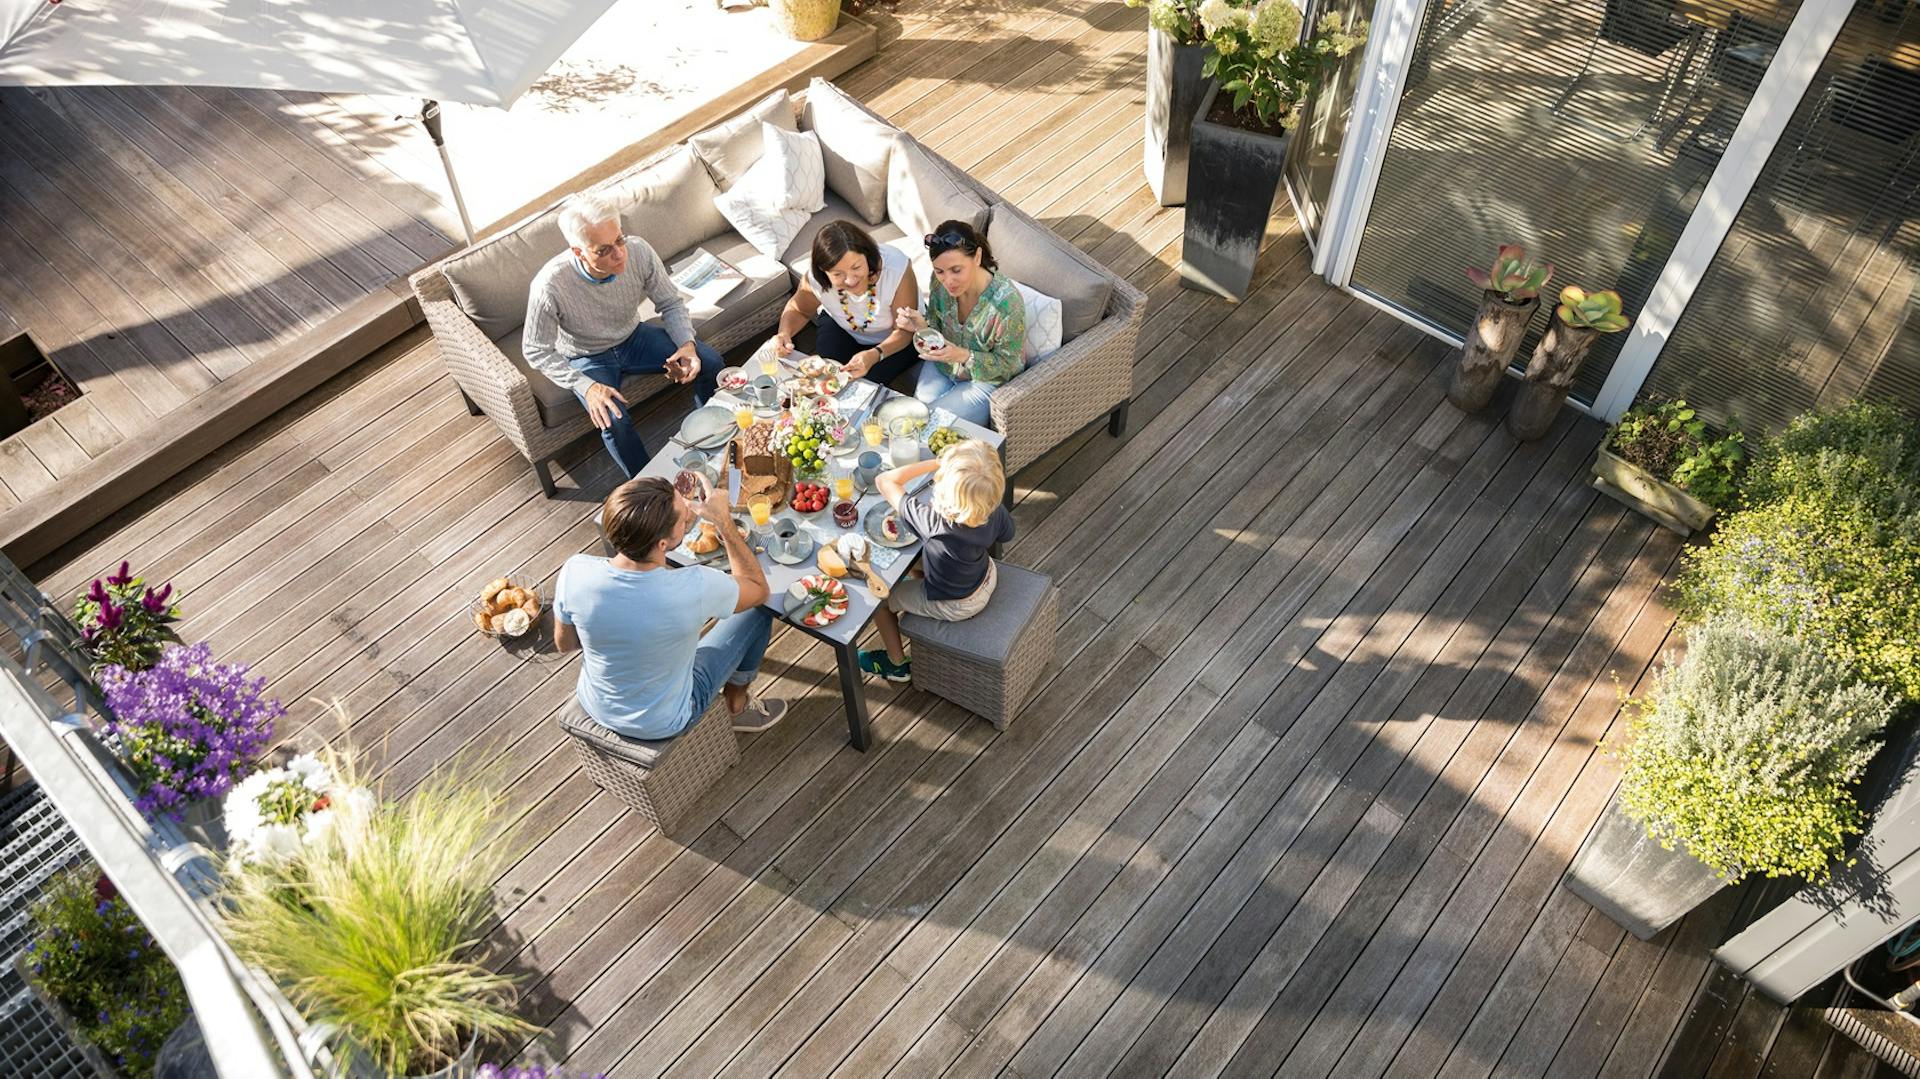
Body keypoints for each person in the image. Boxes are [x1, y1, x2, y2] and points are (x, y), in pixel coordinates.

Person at [554, 476, 789, 737]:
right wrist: (723, 521)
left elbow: (566, 644)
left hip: (597, 703)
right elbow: (757, 588)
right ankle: (736, 706)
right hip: (666, 719)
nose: (690, 511)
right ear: (662, 544)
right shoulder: (694, 586)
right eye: (683, 515)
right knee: (759, 611)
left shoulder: (575, 570)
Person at [522, 194, 725, 478]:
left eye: (620, 240)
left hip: (634, 337)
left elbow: (670, 303)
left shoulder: (639, 251)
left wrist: (687, 346)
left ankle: (715, 444)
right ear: (579, 252)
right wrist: (586, 386)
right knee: (612, 420)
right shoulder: (550, 286)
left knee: (709, 361)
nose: (619, 254)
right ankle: (651, 490)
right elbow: (536, 350)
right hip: (586, 357)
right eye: (604, 250)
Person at [858, 439, 1014, 683]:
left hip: (956, 604)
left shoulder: (931, 521)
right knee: (917, 562)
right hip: (985, 575)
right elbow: (1007, 534)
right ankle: (922, 583)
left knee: (879, 600)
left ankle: (896, 664)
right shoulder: (994, 510)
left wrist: (935, 462)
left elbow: (884, 481)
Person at [893, 220, 1026, 428]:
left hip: (984, 380)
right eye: (940, 271)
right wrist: (921, 326)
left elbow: (1008, 366)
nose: (948, 281)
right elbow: (936, 327)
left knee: (932, 425)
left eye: (956, 270)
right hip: (944, 366)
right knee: (918, 412)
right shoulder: (938, 283)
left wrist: (962, 355)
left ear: (978, 257)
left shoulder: (1007, 306)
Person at [772, 221, 920, 386]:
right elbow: (799, 310)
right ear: (824, 272)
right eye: (838, 274)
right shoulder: (816, 279)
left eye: (856, 267)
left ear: (868, 257)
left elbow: (905, 331)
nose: (850, 280)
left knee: (863, 385)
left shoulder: (896, 268)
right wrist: (784, 333)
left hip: (894, 340)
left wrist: (875, 354)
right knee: (825, 377)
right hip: (843, 327)